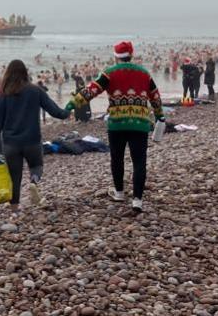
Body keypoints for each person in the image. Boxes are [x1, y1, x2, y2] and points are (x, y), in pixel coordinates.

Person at [68, 42, 164, 213]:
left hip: (117, 124)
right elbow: (155, 96)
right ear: (131, 55)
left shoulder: (110, 73)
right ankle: (137, 201)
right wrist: (159, 116)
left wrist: (70, 105)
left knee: (117, 158)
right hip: (140, 123)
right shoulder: (144, 73)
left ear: (115, 56)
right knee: (139, 161)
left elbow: (91, 90)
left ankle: (119, 192)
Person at [0, 59, 70, 211]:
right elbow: (55, 111)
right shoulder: (35, 90)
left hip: (11, 143)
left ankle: (14, 210)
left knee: (14, 177)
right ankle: (33, 181)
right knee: (37, 165)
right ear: (25, 72)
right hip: (32, 141)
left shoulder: (4, 93)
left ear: (8, 74)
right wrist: (68, 111)